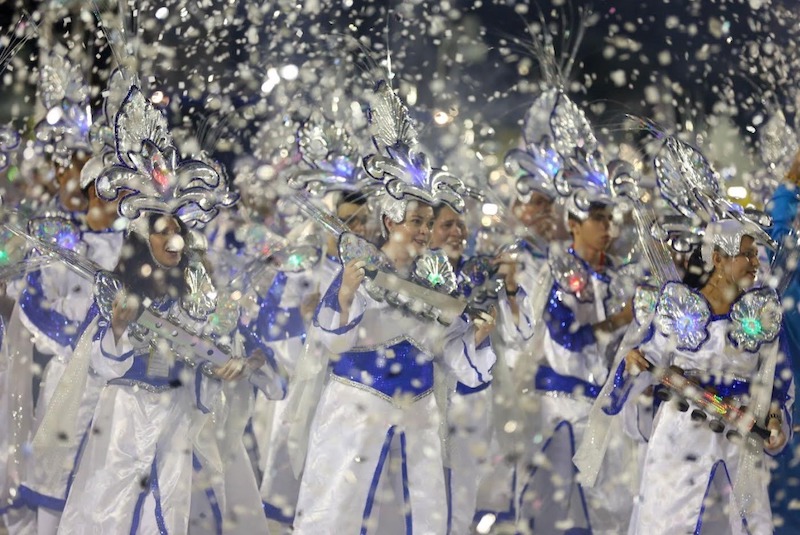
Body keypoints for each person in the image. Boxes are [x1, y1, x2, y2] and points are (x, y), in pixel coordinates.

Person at [625, 220, 793, 534]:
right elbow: (647, 361)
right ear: (718, 258)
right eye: (747, 254)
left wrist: (772, 422)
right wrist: (634, 361)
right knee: (670, 522)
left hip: (739, 442)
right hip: (679, 439)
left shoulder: (762, 315)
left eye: (755, 255)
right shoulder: (678, 308)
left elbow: (777, 381)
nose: (756, 263)